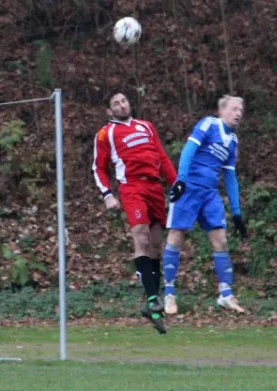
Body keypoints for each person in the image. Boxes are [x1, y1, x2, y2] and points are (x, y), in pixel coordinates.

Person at [93, 91, 177, 334]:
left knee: (155, 245)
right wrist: (108, 195)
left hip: (154, 187)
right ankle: (152, 299)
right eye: (116, 104)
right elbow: (98, 167)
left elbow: (162, 157)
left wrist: (176, 184)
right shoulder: (105, 133)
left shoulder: (146, 126)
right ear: (110, 111)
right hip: (132, 187)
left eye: (124, 101)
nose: (122, 105)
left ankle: (153, 305)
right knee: (140, 236)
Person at [164, 95, 248, 315]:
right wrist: (181, 179)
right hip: (189, 187)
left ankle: (226, 295)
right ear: (222, 110)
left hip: (210, 194)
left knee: (221, 240)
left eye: (241, 109)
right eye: (234, 108)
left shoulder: (233, 141)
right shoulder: (209, 124)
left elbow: (230, 177)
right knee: (176, 236)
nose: (238, 113)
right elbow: (188, 151)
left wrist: (236, 213)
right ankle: (169, 294)